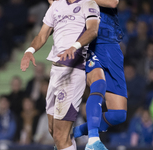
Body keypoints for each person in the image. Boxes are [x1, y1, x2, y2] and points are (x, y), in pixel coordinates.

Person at [20, 0, 100, 149]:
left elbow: (93, 30)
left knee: (60, 135)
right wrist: (29, 51)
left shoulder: (88, 3)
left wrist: (74, 46)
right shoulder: (57, 5)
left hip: (73, 71)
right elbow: (42, 35)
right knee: (53, 131)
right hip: (55, 72)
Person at [59, 0, 128, 150]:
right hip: (90, 41)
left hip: (112, 45)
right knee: (99, 83)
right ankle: (93, 140)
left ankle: (75, 132)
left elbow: (113, 2)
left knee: (119, 114)